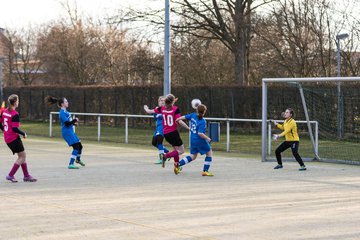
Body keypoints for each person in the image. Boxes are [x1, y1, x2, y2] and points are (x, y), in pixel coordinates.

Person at [144, 94, 189, 175]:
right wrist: (189, 128)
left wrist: (146, 108)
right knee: (181, 151)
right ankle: (166, 156)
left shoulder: (162, 108)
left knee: (176, 150)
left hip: (166, 133)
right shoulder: (175, 109)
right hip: (173, 133)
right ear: (172, 101)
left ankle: (177, 167)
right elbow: (179, 121)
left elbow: (149, 111)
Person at [0, 94, 37, 182]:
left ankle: (26, 176)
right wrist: (23, 133)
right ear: (15, 102)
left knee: (22, 156)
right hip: (13, 138)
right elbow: (14, 128)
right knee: (22, 156)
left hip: (7, 138)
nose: (18, 102)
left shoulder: (4, 111)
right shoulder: (15, 114)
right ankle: (10, 175)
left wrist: (4, 130)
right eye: (18, 101)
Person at [45, 96, 85, 169]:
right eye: (66, 101)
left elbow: (69, 122)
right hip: (67, 133)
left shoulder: (66, 112)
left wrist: (74, 123)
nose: (68, 102)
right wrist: (74, 120)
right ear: (62, 104)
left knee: (80, 146)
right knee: (76, 147)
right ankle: (71, 164)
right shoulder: (62, 113)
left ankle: (78, 160)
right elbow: (66, 123)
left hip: (71, 131)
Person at [176, 104, 214, 176]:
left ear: (197, 110)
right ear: (204, 112)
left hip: (192, 139)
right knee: (209, 153)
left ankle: (179, 164)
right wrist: (208, 138)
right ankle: (205, 171)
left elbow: (183, 117)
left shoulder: (193, 115)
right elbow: (200, 133)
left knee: (193, 156)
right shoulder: (202, 121)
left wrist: (177, 119)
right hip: (199, 140)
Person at [144, 96, 169, 164]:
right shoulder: (157, 109)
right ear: (158, 102)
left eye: (164, 101)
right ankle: (167, 152)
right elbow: (149, 111)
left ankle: (162, 158)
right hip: (158, 128)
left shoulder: (166, 109)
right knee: (154, 143)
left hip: (163, 127)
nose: (162, 102)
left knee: (159, 141)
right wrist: (146, 108)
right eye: (161, 100)